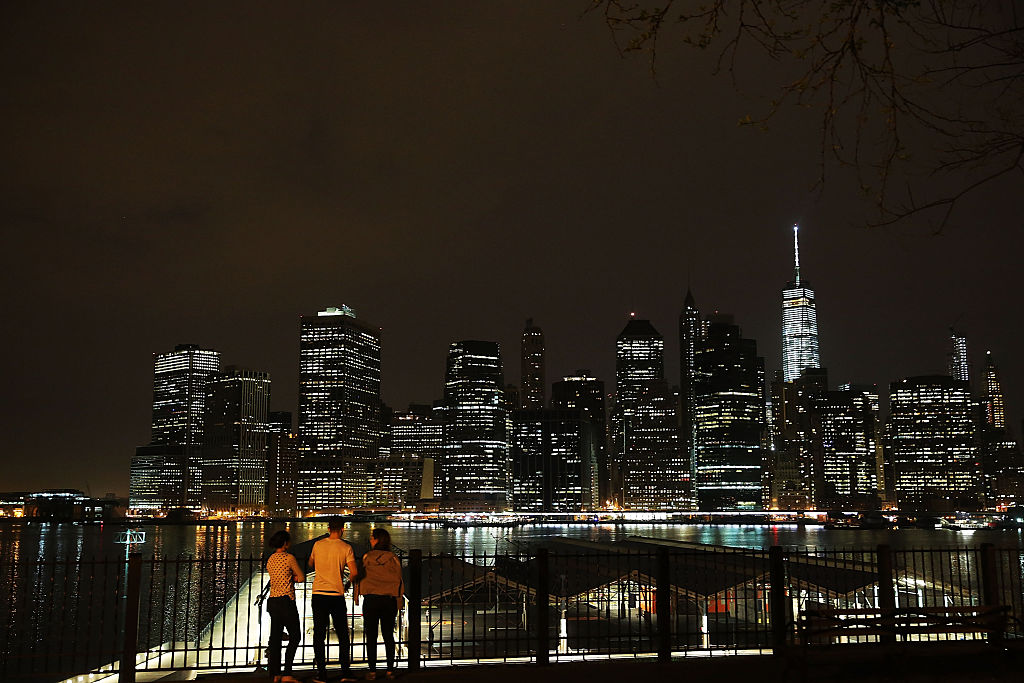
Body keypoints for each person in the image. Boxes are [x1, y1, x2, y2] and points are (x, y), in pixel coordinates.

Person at [308, 516, 360, 683]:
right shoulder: (346, 547)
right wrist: (346, 585)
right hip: (336, 595)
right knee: (342, 634)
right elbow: (354, 572)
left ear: (329, 529)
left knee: (319, 634)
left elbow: (310, 563)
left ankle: (321, 673)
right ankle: (345, 671)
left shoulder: (318, 544)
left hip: (318, 594)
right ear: (343, 529)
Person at [355, 528, 404, 680]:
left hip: (371, 600)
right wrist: (399, 601)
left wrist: (356, 595)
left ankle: (372, 671)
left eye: (372, 538)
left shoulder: (367, 557)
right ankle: (390, 670)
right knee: (389, 635)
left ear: (377, 540)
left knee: (371, 636)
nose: (370, 540)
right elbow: (399, 580)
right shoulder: (393, 558)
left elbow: (360, 576)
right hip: (388, 600)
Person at [265, 530, 304, 683]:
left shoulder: (270, 559)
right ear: (285, 543)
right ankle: (287, 673)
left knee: (275, 639)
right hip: (286, 601)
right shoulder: (289, 558)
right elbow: (300, 577)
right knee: (295, 636)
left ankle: (275, 675)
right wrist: (292, 578)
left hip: (272, 601)